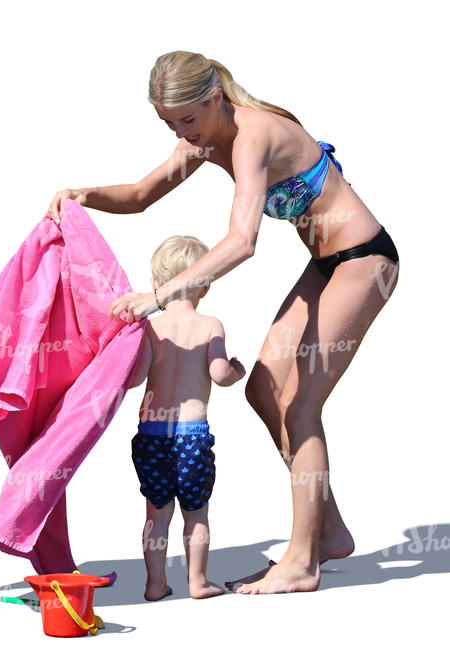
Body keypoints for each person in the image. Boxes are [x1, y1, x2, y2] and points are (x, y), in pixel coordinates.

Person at [47, 50, 400, 594]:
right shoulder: (205, 141)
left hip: (364, 262)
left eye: (188, 119)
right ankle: (328, 533)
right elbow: (142, 195)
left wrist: (160, 296)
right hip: (327, 263)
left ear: (215, 98)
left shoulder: (254, 133)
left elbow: (242, 242)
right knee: (262, 388)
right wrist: (83, 196)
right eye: (169, 124)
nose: (182, 133)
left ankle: (302, 561)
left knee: (300, 403)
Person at [126, 234, 245, 600]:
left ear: (156, 285)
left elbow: (134, 378)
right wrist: (238, 369)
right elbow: (220, 375)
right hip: (191, 436)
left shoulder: (150, 327)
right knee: (196, 513)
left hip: (151, 434)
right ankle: (197, 582)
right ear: (205, 285)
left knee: (156, 515)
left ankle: (154, 584)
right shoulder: (211, 325)